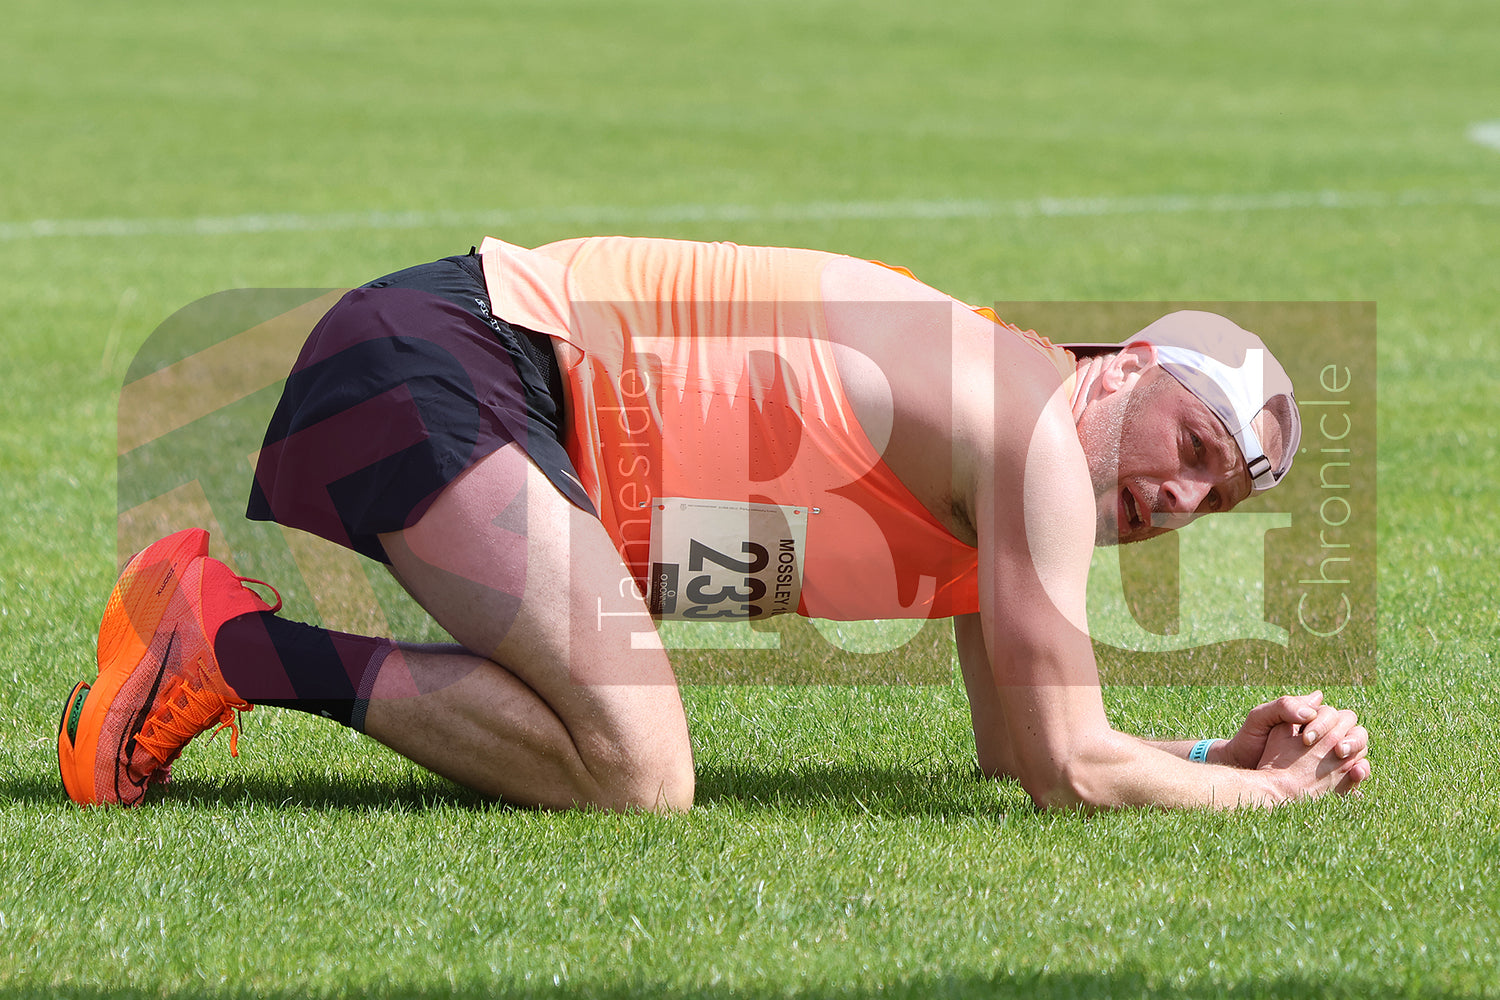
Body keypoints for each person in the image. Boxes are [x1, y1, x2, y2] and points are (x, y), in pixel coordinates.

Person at [57, 236, 1370, 811]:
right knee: (639, 771)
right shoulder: (1024, 428)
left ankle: (218, 640)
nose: (1183, 498)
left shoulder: (1025, 482)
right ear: (1129, 367)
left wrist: (1206, 750)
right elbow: (1072, 775)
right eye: (1193, 447)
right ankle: (222, 645)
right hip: (462, 360)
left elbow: (1023, 745)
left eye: (1220, 498)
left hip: (458, 378)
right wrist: (1273, 796)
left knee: (622, 761)